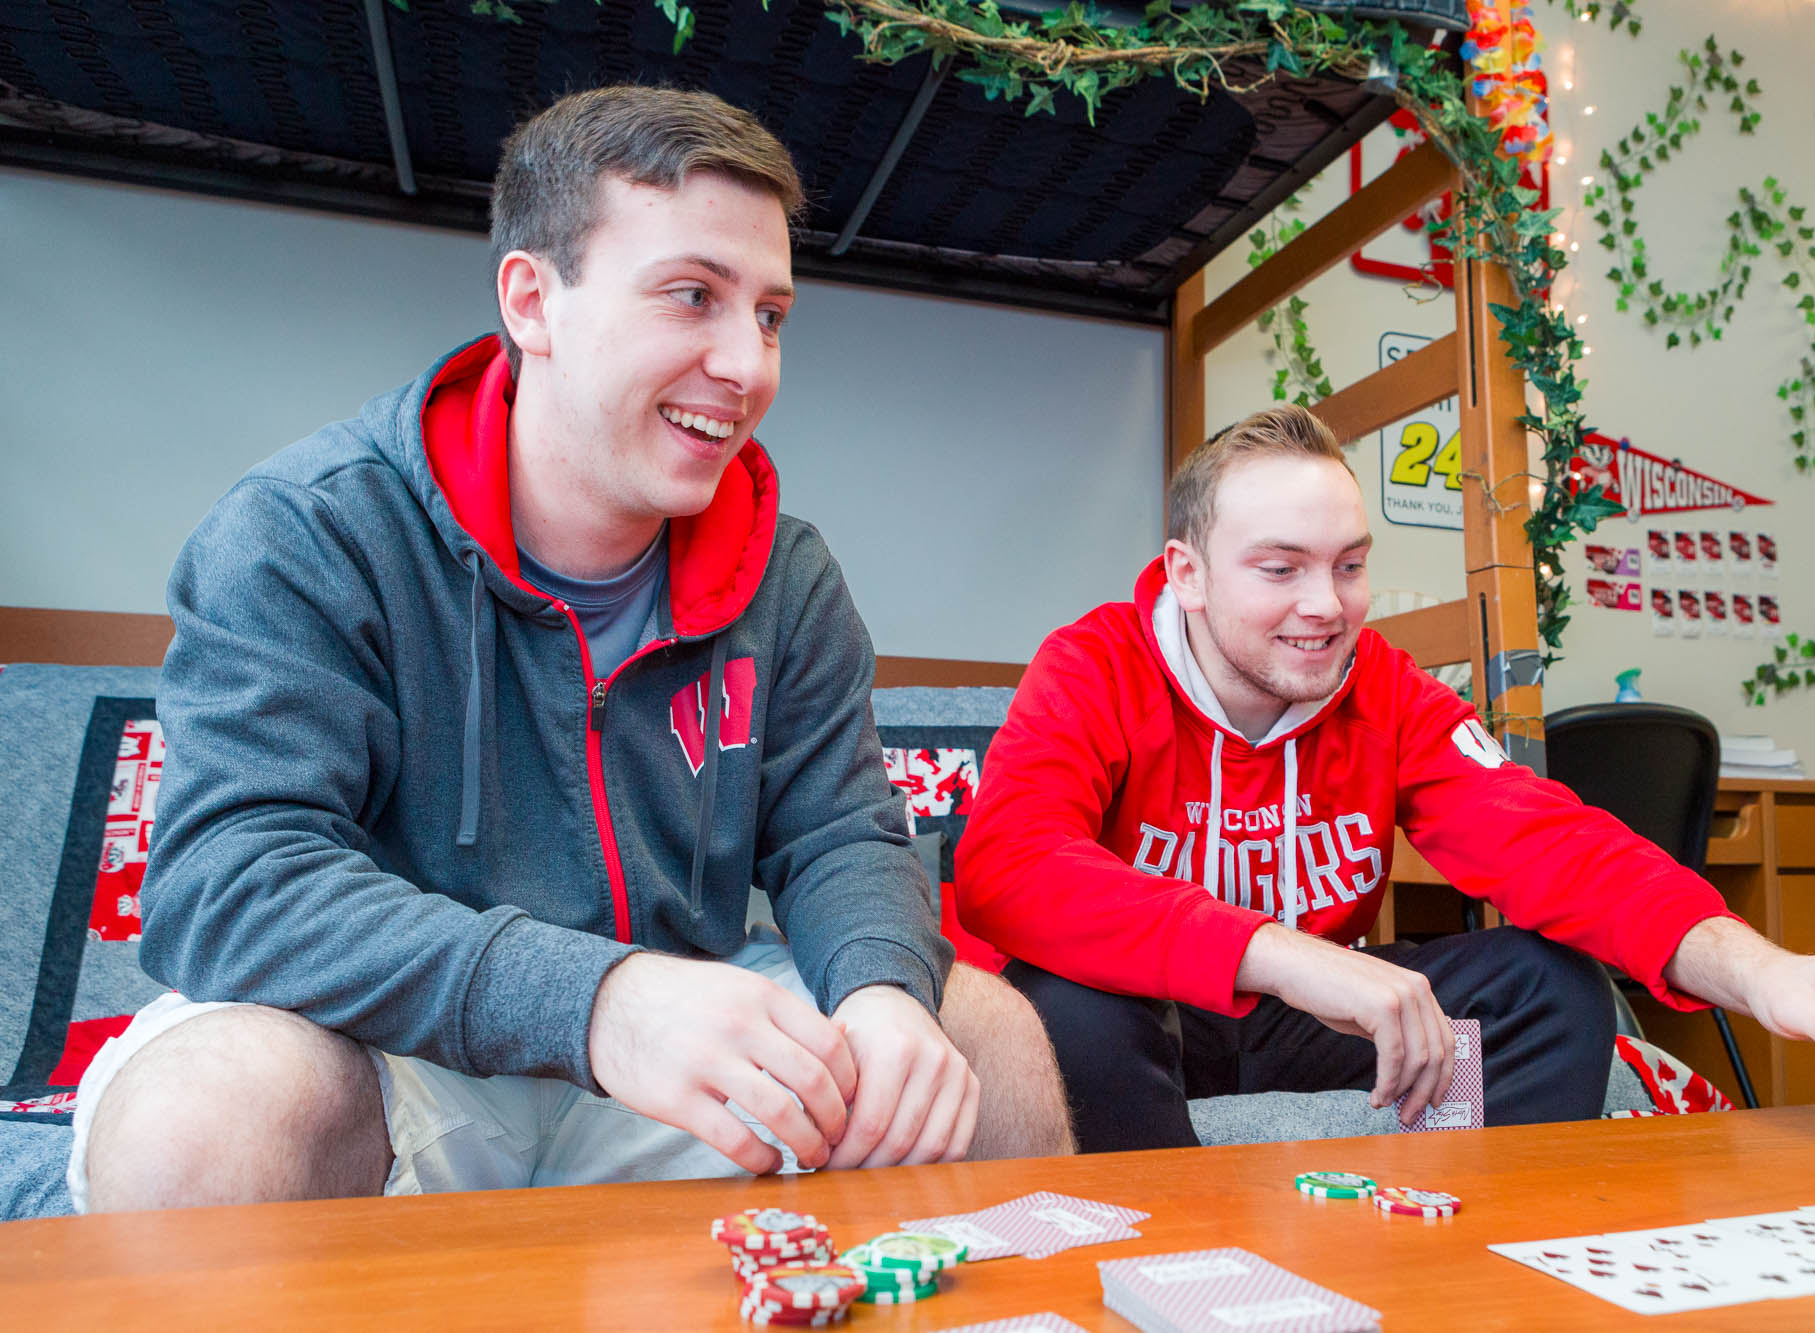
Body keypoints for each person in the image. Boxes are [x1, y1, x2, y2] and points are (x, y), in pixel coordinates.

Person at [72, 86, 1072, 1212]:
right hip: (393, 1054)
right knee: (201, 1118)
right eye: (691, 296)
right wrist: (597, 1001)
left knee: (980, 1033)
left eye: (771, 314)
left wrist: (884, 989)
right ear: (531, 300)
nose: (747, 366)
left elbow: (838, 833)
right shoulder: (309, 530)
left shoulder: (785, 575)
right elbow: (228, 881)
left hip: (684, 1058)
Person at [954, 404, 1815, 1152]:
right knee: (1066, 999)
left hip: (1300, 1024)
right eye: (1278, 569)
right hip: (1156, 1018)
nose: (1325, 604)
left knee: (1546, 985)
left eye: (1349, 564)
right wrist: (1275, 953)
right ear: (1185, 574)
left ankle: (1486, 1251)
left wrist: (1762, 969)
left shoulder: (1385, 690)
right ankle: (1161, 1261)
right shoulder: (1095, 662)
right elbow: (1007, 866)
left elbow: (1555, 845)